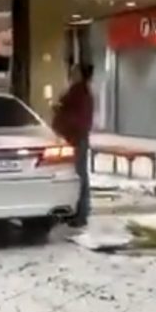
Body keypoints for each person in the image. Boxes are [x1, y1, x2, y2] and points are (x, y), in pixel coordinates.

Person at [55, 64, 94, 229]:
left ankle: (81, 213)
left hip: (76, 138)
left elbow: (78, 118)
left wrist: (61, 112)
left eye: (74, 71)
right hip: (73, 138)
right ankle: (75, 212)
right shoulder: (77, 92)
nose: (71, 74)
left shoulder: (80, 93)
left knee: (79, 175)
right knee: (75, 175)